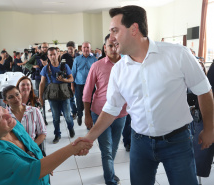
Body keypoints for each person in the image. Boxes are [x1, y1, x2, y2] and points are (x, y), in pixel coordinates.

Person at [74, 5, 214, 185]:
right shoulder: (119, 70)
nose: (111, 38)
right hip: (140, 143)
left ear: (134, 29)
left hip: (177, 141)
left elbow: (204, 90)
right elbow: (111, 109)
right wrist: (89, 137)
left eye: (115, 31)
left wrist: (210, 128)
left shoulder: (177, 54)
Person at [0, 102, 92, 185]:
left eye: (2, 109)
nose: (8, 114)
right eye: (1, 118)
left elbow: (32, 147)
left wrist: (45, 163)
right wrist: (73, 148)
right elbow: (30, 171)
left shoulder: (14, 126)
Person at [83, 34, 127, 185]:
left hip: (121, 114)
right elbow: (87, 92)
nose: (114, 49)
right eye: (110, 46)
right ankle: (110, 180)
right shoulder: (97, 65)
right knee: (106, 149)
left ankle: (109, 172)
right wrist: (87, 114)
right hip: (100, 113)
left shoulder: (128, 64)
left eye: (116, 45)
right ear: (104, 48)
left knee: (114, 147)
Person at [39, 47, 75, 144]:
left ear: (58, 54)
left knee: (67, 116)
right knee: (55, 117)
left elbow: (71, 78)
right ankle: (57, 134)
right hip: (53, 95)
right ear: (48, 56)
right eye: (50, 55)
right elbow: (42, 83)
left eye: (54, 54)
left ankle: (71, 128)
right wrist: (40, 97)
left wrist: (64, 80)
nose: (53, 56)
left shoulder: (64, 66)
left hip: (64, 94)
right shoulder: (46, 68)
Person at [71, 42, 97, 126]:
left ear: (90, 49)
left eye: (88, 47)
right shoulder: (77, 59)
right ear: (81, 49)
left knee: (91, 102)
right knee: (79, 102)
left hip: (91, 85)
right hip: (79, 85)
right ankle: (79, 115)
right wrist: (72, 85)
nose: (86, 49)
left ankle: (89, 121)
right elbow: (73, 73)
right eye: (84, 47)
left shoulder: (94, 60)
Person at [61, 41, 79, 119]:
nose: (70, 50)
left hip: (78, 79)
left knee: (78, 97)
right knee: (71, 97)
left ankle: (79, 111)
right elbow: (62, 67)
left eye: (71, 49)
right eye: (68, 49)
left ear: (74, 48)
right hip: (68, 79)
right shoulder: (64, 56)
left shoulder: (78, 56)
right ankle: (74, 112)